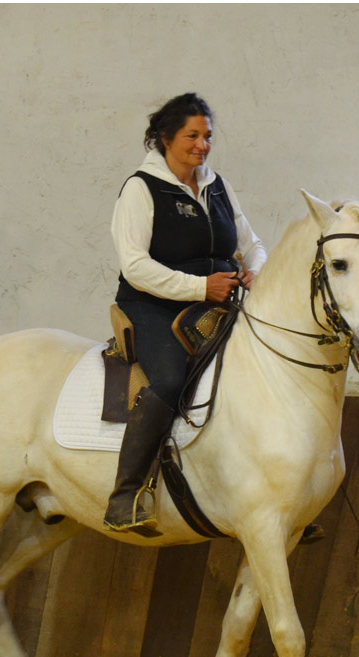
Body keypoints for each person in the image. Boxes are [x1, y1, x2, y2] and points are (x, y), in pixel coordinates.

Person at [104, 93, 266, 533]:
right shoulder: (140, 188)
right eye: (191, 136)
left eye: (207, 136)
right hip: (153, 304)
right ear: (164, 138)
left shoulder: (217, 186)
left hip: (218, 300)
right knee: (172, 379)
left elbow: (251, 244)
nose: (202, 145)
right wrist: (199, 286)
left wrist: (256, 270)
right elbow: (135, 266)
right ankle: (126, 494)